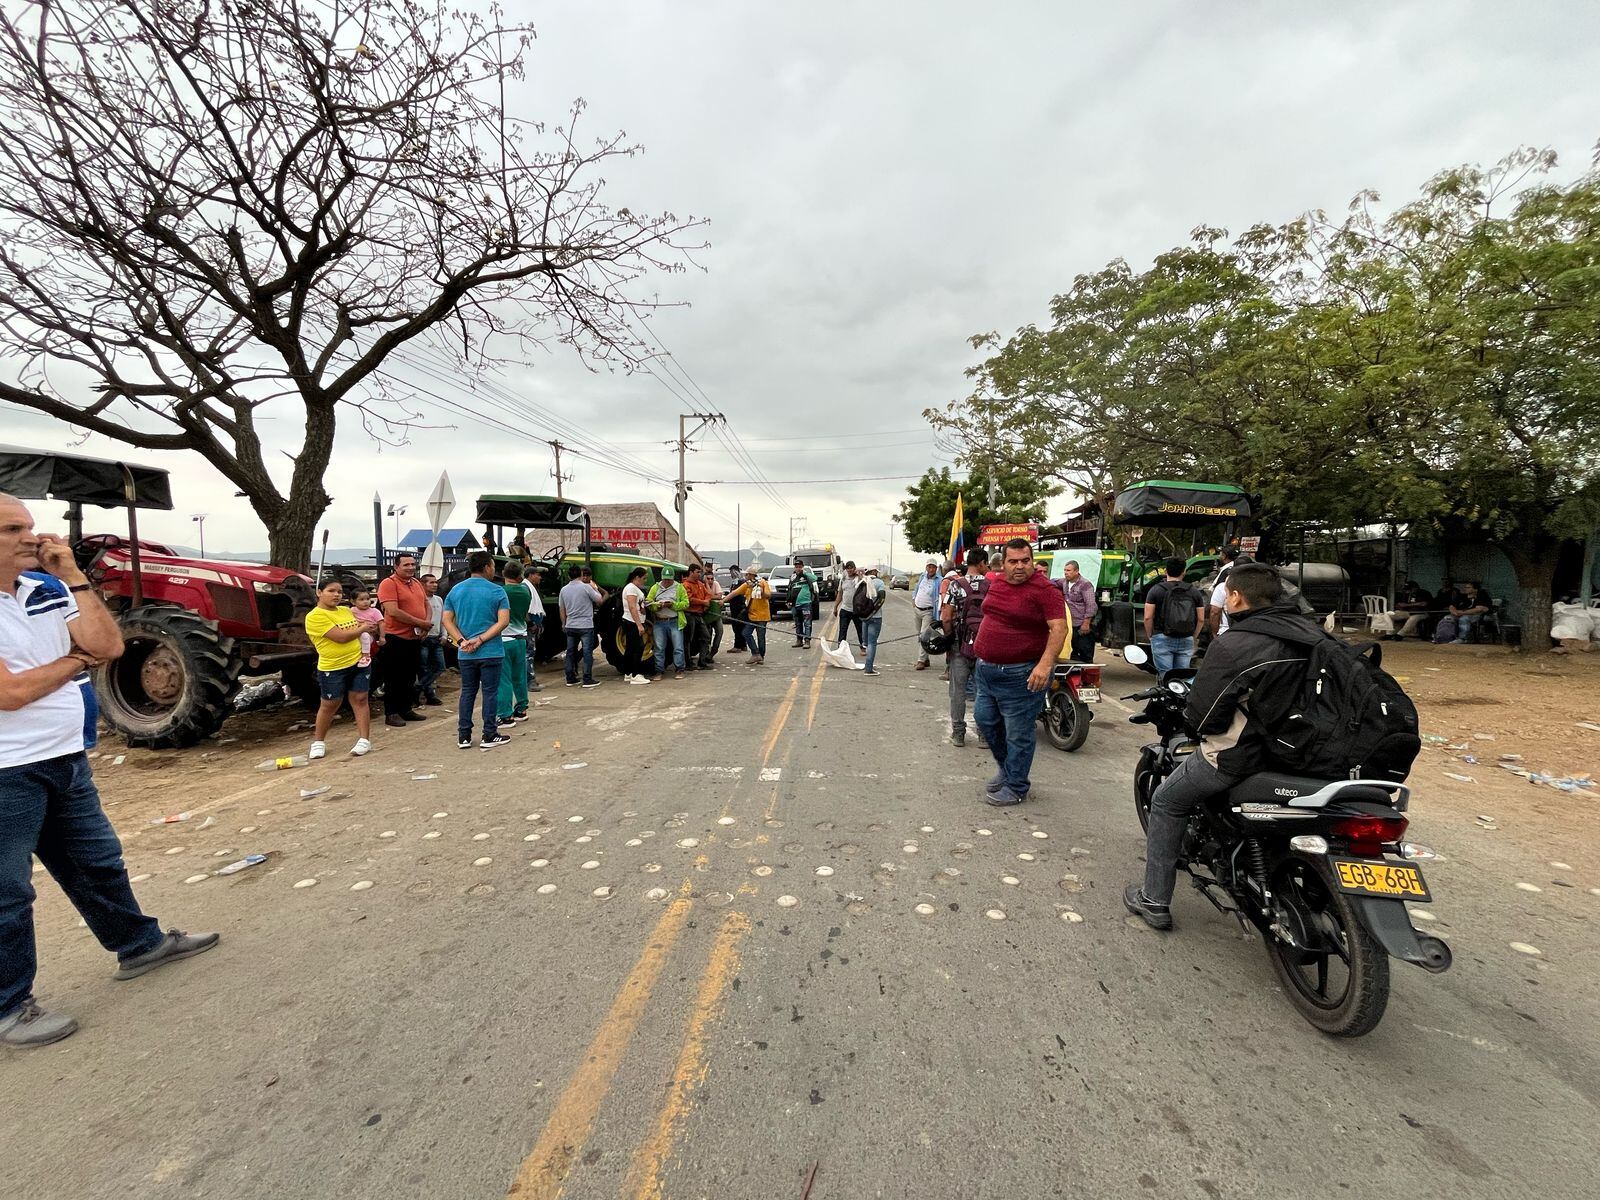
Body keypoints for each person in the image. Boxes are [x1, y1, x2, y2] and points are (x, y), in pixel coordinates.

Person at [0, 494, 218, 1047]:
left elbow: (111, 644)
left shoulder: (47, 588)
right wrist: (76, 661)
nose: (32, 537)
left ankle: (139, 945)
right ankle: (8, 1007)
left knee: (96, 862)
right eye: (12, 530)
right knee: (7, 893)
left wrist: (73, 577)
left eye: (29, 526)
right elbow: (11, 693)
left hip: (63, 756)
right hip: (6, 771)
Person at [1124, 564, 1323, 930]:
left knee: (1166, 801)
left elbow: (1204, 716)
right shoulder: (1315, 635)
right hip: (1308, 755)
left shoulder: (1235, 644)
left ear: (1235, 596)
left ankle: (1153, 899)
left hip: (1243, 757)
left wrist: (1193, 722)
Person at [973, 539, 1069, 806]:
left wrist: (1045, 664)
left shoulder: (1045, 590)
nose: (1019, 566)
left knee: (1018, 734)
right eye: (1013, 561)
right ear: (1003, 563)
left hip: (1021, 674)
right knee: (985, 721)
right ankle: (1007, 771)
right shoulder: (998, 583)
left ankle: (1016, 786)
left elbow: (1059, 628)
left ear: (1032, 561)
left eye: (1025, 561)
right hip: (986, 670)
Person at [442, 550, 510, 749]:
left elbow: (447, 620)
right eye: (493, 566)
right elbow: (503, 621)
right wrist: (481, 639)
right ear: (487, 567)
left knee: (467, 692)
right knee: (490, 693)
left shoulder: (455, 591)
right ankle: (489, 734)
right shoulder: (497, 591)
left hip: (465, 653)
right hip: (491, 651)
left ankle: (464, 736)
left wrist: (461, 641)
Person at [303, 578, 373, 759]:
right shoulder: (315, 616)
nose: (336, 595)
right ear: (319, 592)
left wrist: (364, 630)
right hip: (333, 666)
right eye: (331, 591)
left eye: (339, 592)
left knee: (360, 698)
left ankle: (364, 739)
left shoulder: (345, 611)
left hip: (359, 662)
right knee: (330, 704)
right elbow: (341, 637)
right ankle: (318, 741)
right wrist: (363, 628)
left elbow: (356, 629)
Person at [376, 552, 431, 729]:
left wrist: (426, 624)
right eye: (406, 565)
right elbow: (393, 611)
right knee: (394, 677)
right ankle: (391, 713)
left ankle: (406, 709)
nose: (411, 568)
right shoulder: (388, 584)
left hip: (414, 637)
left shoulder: (416, 583)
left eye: (413, 564)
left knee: (409, 676)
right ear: (396, 566)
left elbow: (426, 604)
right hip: (395, 638)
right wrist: (420, 623)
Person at [942, 548, 990, 746]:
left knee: (958, 691)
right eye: (986, 564)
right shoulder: (991, 586)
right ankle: (984, 735)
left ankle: (958, 734)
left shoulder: (955, 585)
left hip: (960, 645)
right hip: (985, 646)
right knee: (983, 692)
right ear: (981, 563)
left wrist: (949, 637)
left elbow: (946, 616)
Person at [1144, 558, 1204, 674]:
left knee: (1165, 675)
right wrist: (1193, 637)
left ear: (1166, 571)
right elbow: (1201, 619)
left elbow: (1147, 617)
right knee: (1181, 676)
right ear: (1184, 572)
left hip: (1161, 637)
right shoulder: (1194, 591)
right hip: (1186, 638)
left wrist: (1151, 636)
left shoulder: (1156, 590)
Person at [496, 561, 534, 724]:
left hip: (504, 639)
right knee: (519, 676)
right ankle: (521, 709)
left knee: (504, 679)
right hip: (521, 638)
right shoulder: (526, 591)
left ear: (503, 573)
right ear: (521, 575)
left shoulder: (500, 592)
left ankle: (505, 715)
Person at [559, 565, 606, 688]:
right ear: (580, 574)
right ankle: (587, 678)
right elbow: (599, 600)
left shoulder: (564, 590)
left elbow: (562, 609)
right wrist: (595, 588)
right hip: (585, 625)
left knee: (570, 652)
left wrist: (564, 623)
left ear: (568, 575)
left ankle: (570, 678)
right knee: (587, 652)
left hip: (570, 625)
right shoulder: (586, 587)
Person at [647, 566, 689, 679]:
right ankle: (659, 671)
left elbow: (686, 603)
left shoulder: (679, 588)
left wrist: (673, 605)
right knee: (659, 648)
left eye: (669, 579)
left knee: (678, 647)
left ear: (673, 578)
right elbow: (649, 601)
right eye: (665, 579)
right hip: (659, 621)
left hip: (674, 621)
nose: (666, 581)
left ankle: (680, 669)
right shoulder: (655, 588)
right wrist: (656, 606)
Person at [727, 567, 774, 664]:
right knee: (746, 633)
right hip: (752, 615)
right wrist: (723, 601)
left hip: (762, 616)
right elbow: (734, 593)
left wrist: (761, 591)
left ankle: (761, 657)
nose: (745, 576)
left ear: (751, 575)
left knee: (761, 637)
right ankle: (756, 654)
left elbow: (768, 595)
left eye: (747, 574)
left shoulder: (762, 583)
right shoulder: (747, 585)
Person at [1058, 559, 1098, 662]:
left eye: (1068, 570)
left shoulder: (1085, 584)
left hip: (1081, 625)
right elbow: (1052, 581)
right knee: (1072, 653)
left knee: (1085, 653)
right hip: (1070, 625)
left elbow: (1091, 605)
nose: (1066, 573)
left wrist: (1086, 623)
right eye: (1065, 570)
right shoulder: (1064, 582)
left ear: (1076, 571)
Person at [1207, 548, 1251, 638]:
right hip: (1250, 634)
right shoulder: (1257, 588)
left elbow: (1214, 612)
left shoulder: (1222, 587)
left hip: (1227, 633)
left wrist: (1214, 634)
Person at [620, 566, 654, 684]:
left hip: (632, 621)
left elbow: (637, 604)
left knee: (630, 648)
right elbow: (632, 607)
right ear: (637, 577)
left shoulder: (634, 588)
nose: (645, 581)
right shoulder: (631, 588)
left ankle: (628, 673)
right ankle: (635, 674)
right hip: (632, 622)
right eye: (644, 578)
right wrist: (639, 625)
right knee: (638, 648)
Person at [417, 573, 446, 705]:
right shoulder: (419, 600)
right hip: (424, 638)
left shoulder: (439, 600)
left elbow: (443, 619)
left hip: (436, 638)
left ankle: (418, 688)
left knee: (440, 667)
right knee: (423, 668)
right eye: (431, 582)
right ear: (423, 584)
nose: (435, 585)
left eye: (436, 582)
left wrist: (444, 635)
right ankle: (429, 695)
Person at [857, 568, 888, 675]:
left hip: (864, 616)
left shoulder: (862, 582)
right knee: (872, 643)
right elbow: (882, 597)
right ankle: (869, 668)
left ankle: (868, 665)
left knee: (866, 642)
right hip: (876, 616)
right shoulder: (879, 582)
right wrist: (873, 611)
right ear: (874, 572)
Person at [682, 564, 713, 670]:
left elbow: (708, 594)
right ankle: (688, 663)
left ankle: (702, 661)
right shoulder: (685, 585)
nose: (700, 574)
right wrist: (703, 602)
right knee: (688, 639)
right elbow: (689, 599)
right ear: (691, 572)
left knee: (706, 636)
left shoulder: (700, 584)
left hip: (699, 615)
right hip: (689, 614)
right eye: (697, 572)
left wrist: (706, 601)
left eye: (700, 572)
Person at [911, 560, 940, 670]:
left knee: (924, 635)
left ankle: (921, 660)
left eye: (933, 567)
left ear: (936, 568)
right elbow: (917, 588)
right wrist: (914, 599)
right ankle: (926, 658)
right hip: (917, 609)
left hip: (928, 612)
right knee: (919, 636)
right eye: (929, 567)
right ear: (926, 567)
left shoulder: (939, 580)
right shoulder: (922, 576)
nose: (931, 569)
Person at [831, 561, 866, 651]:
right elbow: (840, 593)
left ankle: (863, 647)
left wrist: (859, 574)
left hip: (857, 609)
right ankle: (841, 649)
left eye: (851, 568)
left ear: (854, 568)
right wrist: (835, 607)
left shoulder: (859, 578)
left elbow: (865, 581)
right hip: (845, 609)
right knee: (842, 631)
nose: (849, 570)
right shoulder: (843, 579)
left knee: (860, 630)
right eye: (847, 568)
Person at [525, 562, 547, 692]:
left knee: (529, 653)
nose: (540, 577)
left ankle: (530, 680)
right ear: (531, 575)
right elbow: (525, 609)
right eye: (538, 575)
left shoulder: (531, 587)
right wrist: (531, 624)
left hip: (533, 626)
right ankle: (530, 682)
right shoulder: (526, 588)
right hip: (529, 628)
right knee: (528, 654)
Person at [350, 588, 384, 669]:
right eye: (361, 599)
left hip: (369, 635)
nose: (365, 602)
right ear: (353, 602)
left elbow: (381, 623)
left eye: (367, 599)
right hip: (355, 634)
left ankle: (366, 656)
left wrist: (382, 637)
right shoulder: (352, 611)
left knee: (364, 635)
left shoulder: (374, 611)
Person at [791, 557, 818, 648]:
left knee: (807, 623)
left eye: (800, 567)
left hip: (806, 603)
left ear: (802, 567)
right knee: (798, 623)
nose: (798, 568)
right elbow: (790, 589)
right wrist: (788, 600)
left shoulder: (806, 575)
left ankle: (807, 641)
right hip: (795, 604)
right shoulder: (793, 577)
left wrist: (804, 573)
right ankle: (799, 640)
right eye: (796, 567)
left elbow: (815, 578)